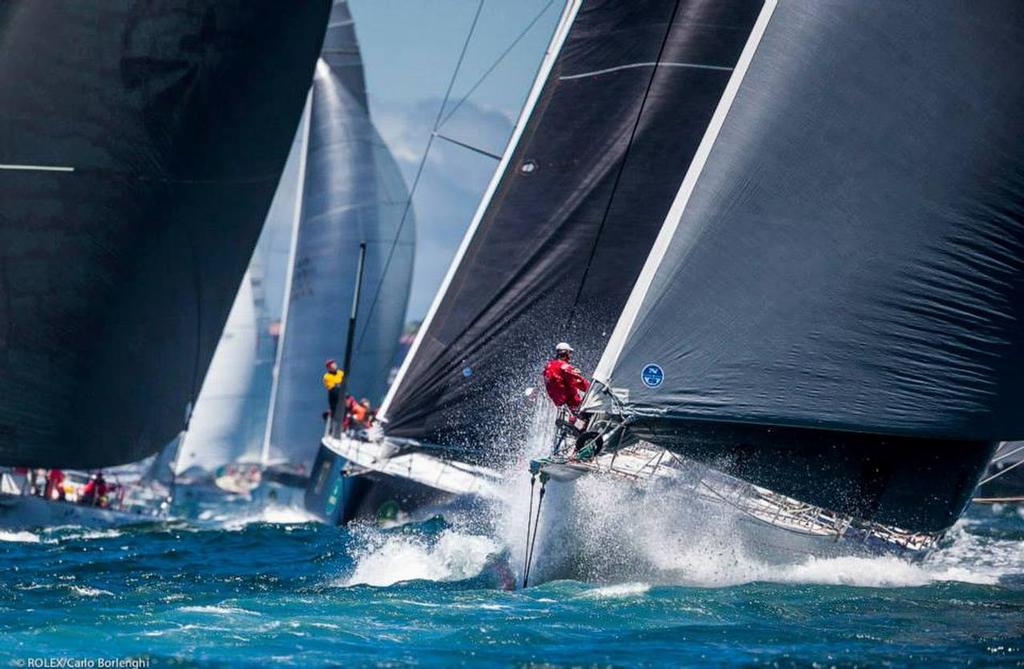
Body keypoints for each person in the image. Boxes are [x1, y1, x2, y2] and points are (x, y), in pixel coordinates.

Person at [543, 342, 590, 412]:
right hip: (572, 404)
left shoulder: (548, 366)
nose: (570, 356)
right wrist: (592, 389)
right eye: (570, 353)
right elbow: (579, 382)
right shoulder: (564, 367)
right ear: (566, 353)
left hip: (559, 404)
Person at [323, 359, 345, 432]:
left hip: (342, 394)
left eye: (334, 364)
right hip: (334, 395)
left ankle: (343, 428)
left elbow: (343, 382)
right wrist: (339, 385)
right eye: (332, 365)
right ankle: (332, 429)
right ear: (329, 368)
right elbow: (332, 388)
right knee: (335, 412)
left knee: (345, 411)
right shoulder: (327, 376)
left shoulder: (340, 373)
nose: (334, 365)